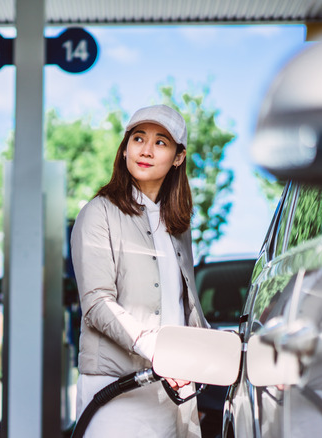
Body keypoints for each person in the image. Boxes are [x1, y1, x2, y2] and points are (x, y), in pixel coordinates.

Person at [70, 104, 209, 437]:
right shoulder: (98, 213)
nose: (146, 150)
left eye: (161, 142)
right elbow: (96, 303)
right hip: (116, 389)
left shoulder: (178, 224)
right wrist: (158, 350)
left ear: (178, 157)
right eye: (138, 138)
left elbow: (184, 308)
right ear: (125, 149)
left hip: (174, 391)